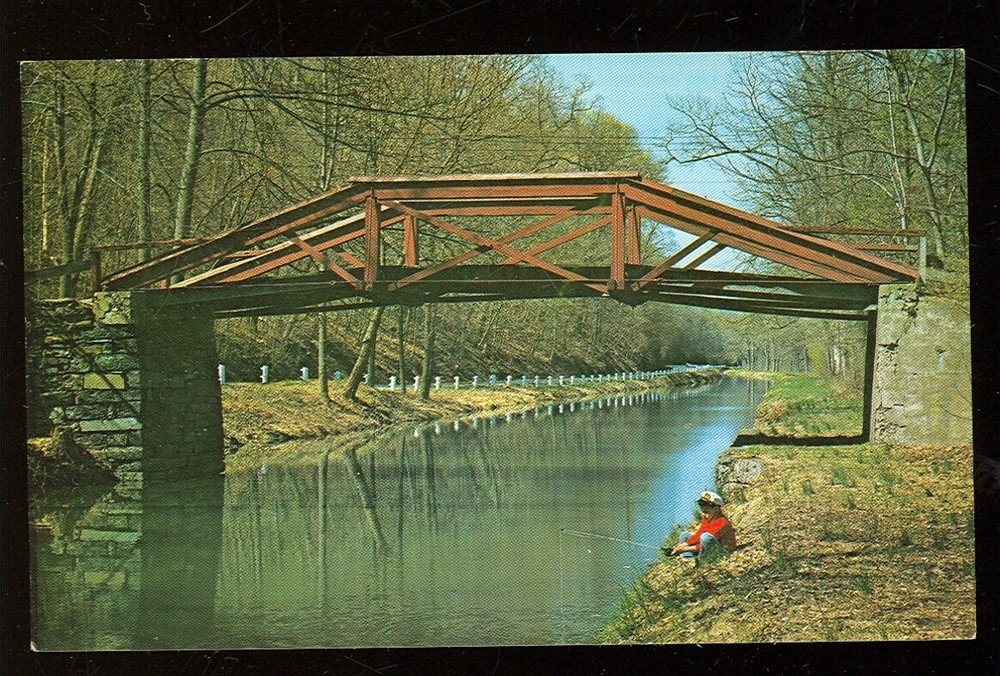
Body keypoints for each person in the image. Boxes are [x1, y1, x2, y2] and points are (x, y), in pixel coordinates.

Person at [667, 491, 737, 565]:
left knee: (705, 537)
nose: (703, 514)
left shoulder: (721, 522)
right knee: (685, 535)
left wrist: (685, 549)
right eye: (702, 511)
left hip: (723, 551)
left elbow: (707, 541)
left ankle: (702, 561)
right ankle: (688, 558)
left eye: (706, 512)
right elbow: (698, 535)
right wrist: (683, 545)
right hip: (709, 546)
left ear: (716, 509)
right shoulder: (707, 518)